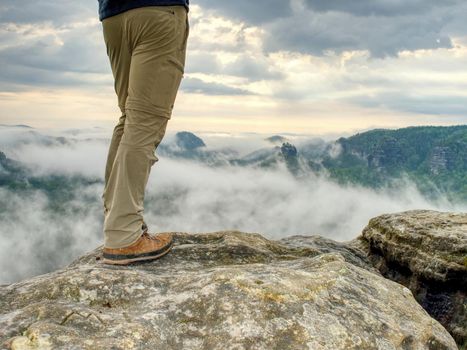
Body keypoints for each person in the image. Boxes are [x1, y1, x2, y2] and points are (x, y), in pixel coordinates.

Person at [98, 0, 189, 265]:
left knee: (129, 117)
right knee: (145, 122)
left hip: (113, 16)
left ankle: (118, 219)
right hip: (158, 11)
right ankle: (124, 236)